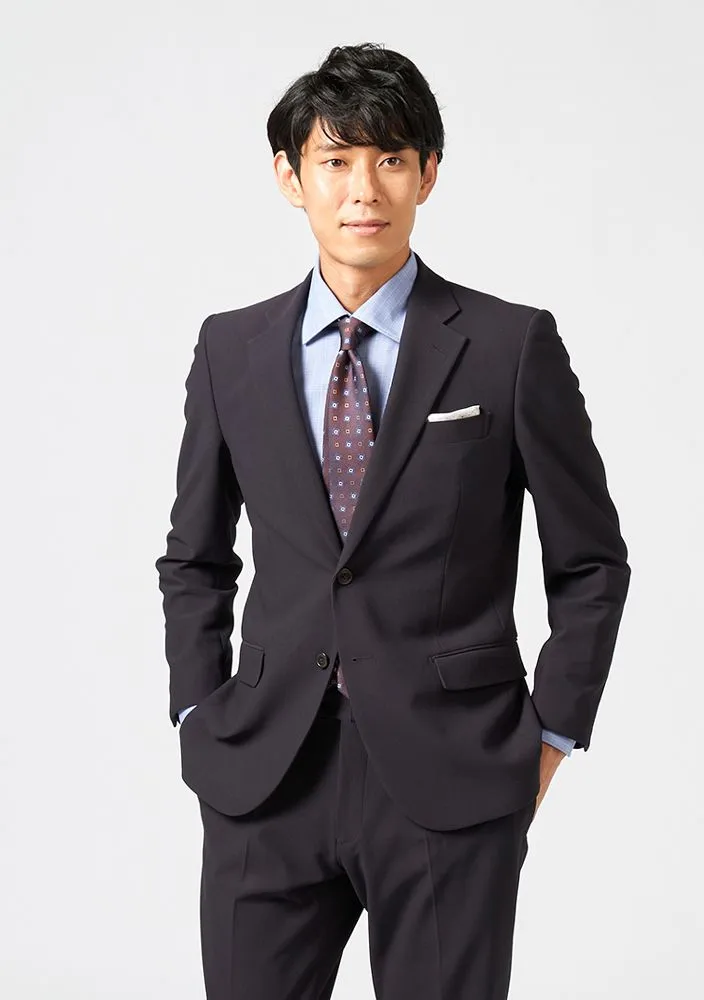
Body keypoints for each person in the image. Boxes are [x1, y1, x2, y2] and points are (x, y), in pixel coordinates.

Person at [155, 41, 631, 1000]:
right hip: (265, 774)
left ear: (428, 175)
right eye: (335, 160)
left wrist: (550, 735)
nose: (363, 189)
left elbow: (592, 564)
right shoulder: (230, 349)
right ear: (290, 177)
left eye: (391, 160)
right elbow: (195, 559)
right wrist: (199, 711)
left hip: (453, 776)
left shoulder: (508, 346)